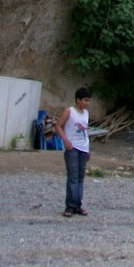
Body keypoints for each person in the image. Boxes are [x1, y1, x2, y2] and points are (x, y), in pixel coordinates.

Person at [54, 87, 91, 217]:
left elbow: (85, 131)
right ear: (78, 100)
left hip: (83, 148)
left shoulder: (86, 114)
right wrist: (66, 141)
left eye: (88, 100)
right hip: (72, 148)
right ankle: (70, 205)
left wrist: (88, 149)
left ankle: (78, 205)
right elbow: (58, 126)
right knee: (73, 177)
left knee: (80, 177)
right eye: (85, 100)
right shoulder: (69, 111)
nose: (87, 103)